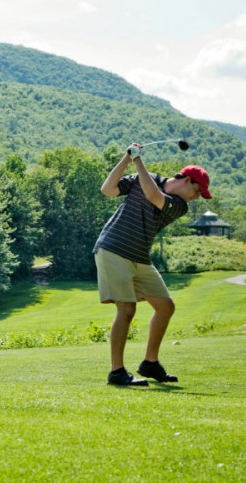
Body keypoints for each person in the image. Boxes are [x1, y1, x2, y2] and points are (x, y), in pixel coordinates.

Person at [93, 143, 212, 386]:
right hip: (114, 248)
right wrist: (127, 159)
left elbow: (153, 196)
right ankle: (117, 372)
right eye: (199, 191)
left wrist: (137, 160)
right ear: (188, 180)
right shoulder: (142, 177)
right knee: (126, 310)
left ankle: (150, 363)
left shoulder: (179, 206)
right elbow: (107, 189)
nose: (198, 197)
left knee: (165, 307)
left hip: (139, 257)